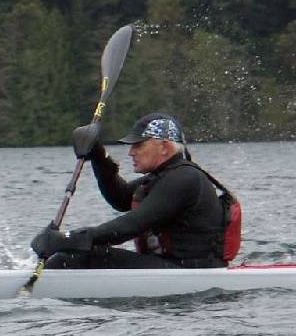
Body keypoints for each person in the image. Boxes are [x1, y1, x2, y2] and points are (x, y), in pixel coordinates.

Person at [31, 112, 228, 269]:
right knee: (80, 252)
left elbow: (130, 226)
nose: (131, 152)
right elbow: (121, 198)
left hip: (189, 270)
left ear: (164, 147)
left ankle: (31, 287)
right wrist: (98, 154)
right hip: (175, 267)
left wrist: (67, 239)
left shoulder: (183, 179)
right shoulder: (165, 177)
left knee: (79, 257)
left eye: (138, 145)